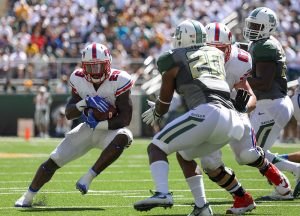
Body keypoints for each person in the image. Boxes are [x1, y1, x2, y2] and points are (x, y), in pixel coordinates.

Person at [175, 22, 293, 216]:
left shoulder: (240, 60)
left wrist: (243, 106)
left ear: (230, 47)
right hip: (210, 114)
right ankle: (242, 198)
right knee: (209, 164)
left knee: (247, 155)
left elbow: (251, 95)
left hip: (234, 111)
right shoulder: (193, 61)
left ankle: (274, 174)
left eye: (221, 50)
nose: (216, 55)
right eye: (211, 50)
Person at [133, 19, 248, 216]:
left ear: (181, 39)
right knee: (185, 154)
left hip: (209, 111)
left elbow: (165, 100)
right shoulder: (216, 54)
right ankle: (202, 207)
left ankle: (162, 193)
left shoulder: (172, 58)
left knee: (156, 147)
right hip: (233, 118)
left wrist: (157, 112)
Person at [15, 43, 134, 207]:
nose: (95, 71)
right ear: (84, 67)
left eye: (99, 66)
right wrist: (84, 103)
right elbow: (70, 113)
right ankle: (27, 197)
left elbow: (125, 119)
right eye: (91, 68)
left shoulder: (119, 79)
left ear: (108, 64)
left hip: (108, 131)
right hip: (86, 130)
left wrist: (96, 124)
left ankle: (88, 177)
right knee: (54, 159)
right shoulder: (78, 78)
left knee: (125, 136)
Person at [243, 7, 300, 200]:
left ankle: (283, 187)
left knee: (252, 153)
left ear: (268, 27)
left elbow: (265, 83)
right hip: (269, 104)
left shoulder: (265, 46)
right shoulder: (260, 43)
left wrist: (239, 80)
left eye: (257, 26)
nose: (252, 29)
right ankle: (294, 172)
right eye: (251, 24)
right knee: (253, 152)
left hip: (272, 104)